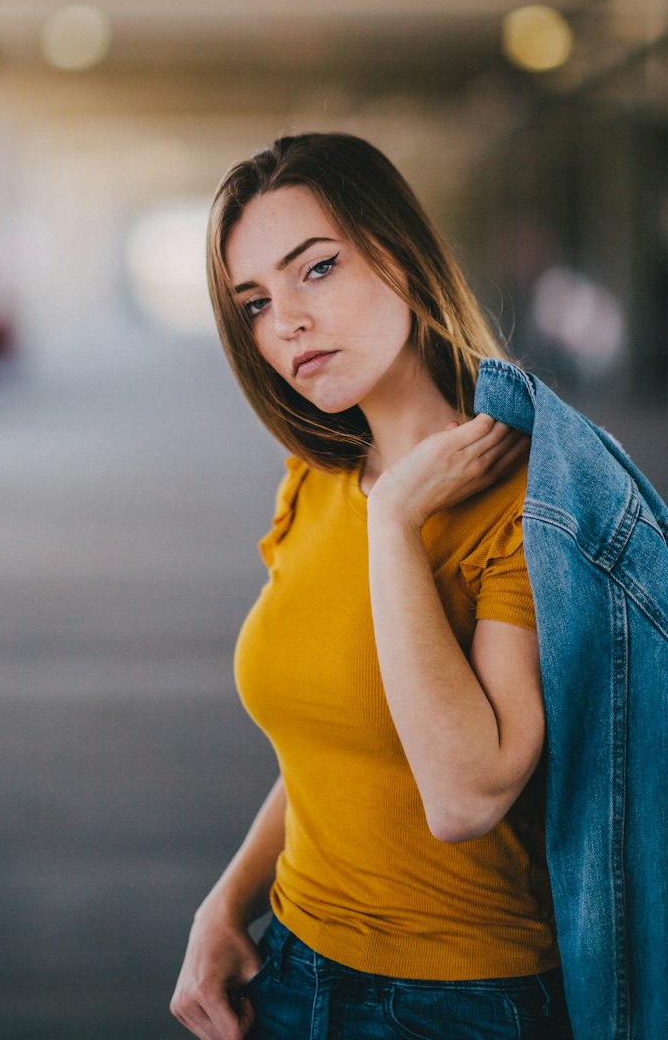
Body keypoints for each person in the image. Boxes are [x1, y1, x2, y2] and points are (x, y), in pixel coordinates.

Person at [171, 131, 571, 1040]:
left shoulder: (529, 499)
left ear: (401, 252)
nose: (288, 323)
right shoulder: (312, 477)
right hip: (291, 968)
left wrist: (395, 525)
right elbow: (339, 737)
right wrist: (228, 899)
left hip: (464, 1003)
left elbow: (467, 795)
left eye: (315, 269)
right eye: (256, 303)